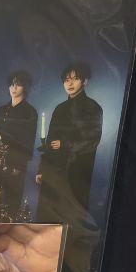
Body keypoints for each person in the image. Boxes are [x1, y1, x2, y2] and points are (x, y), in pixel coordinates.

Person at [36, 61, 104, 226]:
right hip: (54, 170)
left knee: (72, 218)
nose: (70, 84)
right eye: (67, 80)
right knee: (48, 216)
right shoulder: (60, 109)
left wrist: (65, 144)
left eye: (75, 79)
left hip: (77, 171)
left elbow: (92, 140)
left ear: (85, 81)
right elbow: (50, 141)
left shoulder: (93, 107)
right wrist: (42, 169)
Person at [0, 70, 38, 215]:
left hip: (15, 163)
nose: (14, 88)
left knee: (11, 201)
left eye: (18, 84)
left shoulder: (30, 112)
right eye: (12, 84)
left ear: (25, 87)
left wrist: (18, 165)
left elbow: (28, 141)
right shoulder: (1, 110)